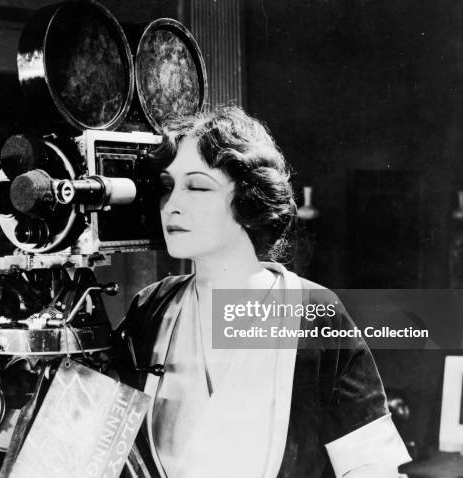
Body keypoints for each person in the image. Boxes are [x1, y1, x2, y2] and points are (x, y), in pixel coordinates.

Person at [114, 106, 411, 478]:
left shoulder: (314, 314)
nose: (172, 205)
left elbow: (371, 468)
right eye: (167, 187)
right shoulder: (152, 308)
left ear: (248, 200)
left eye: (197, 186)